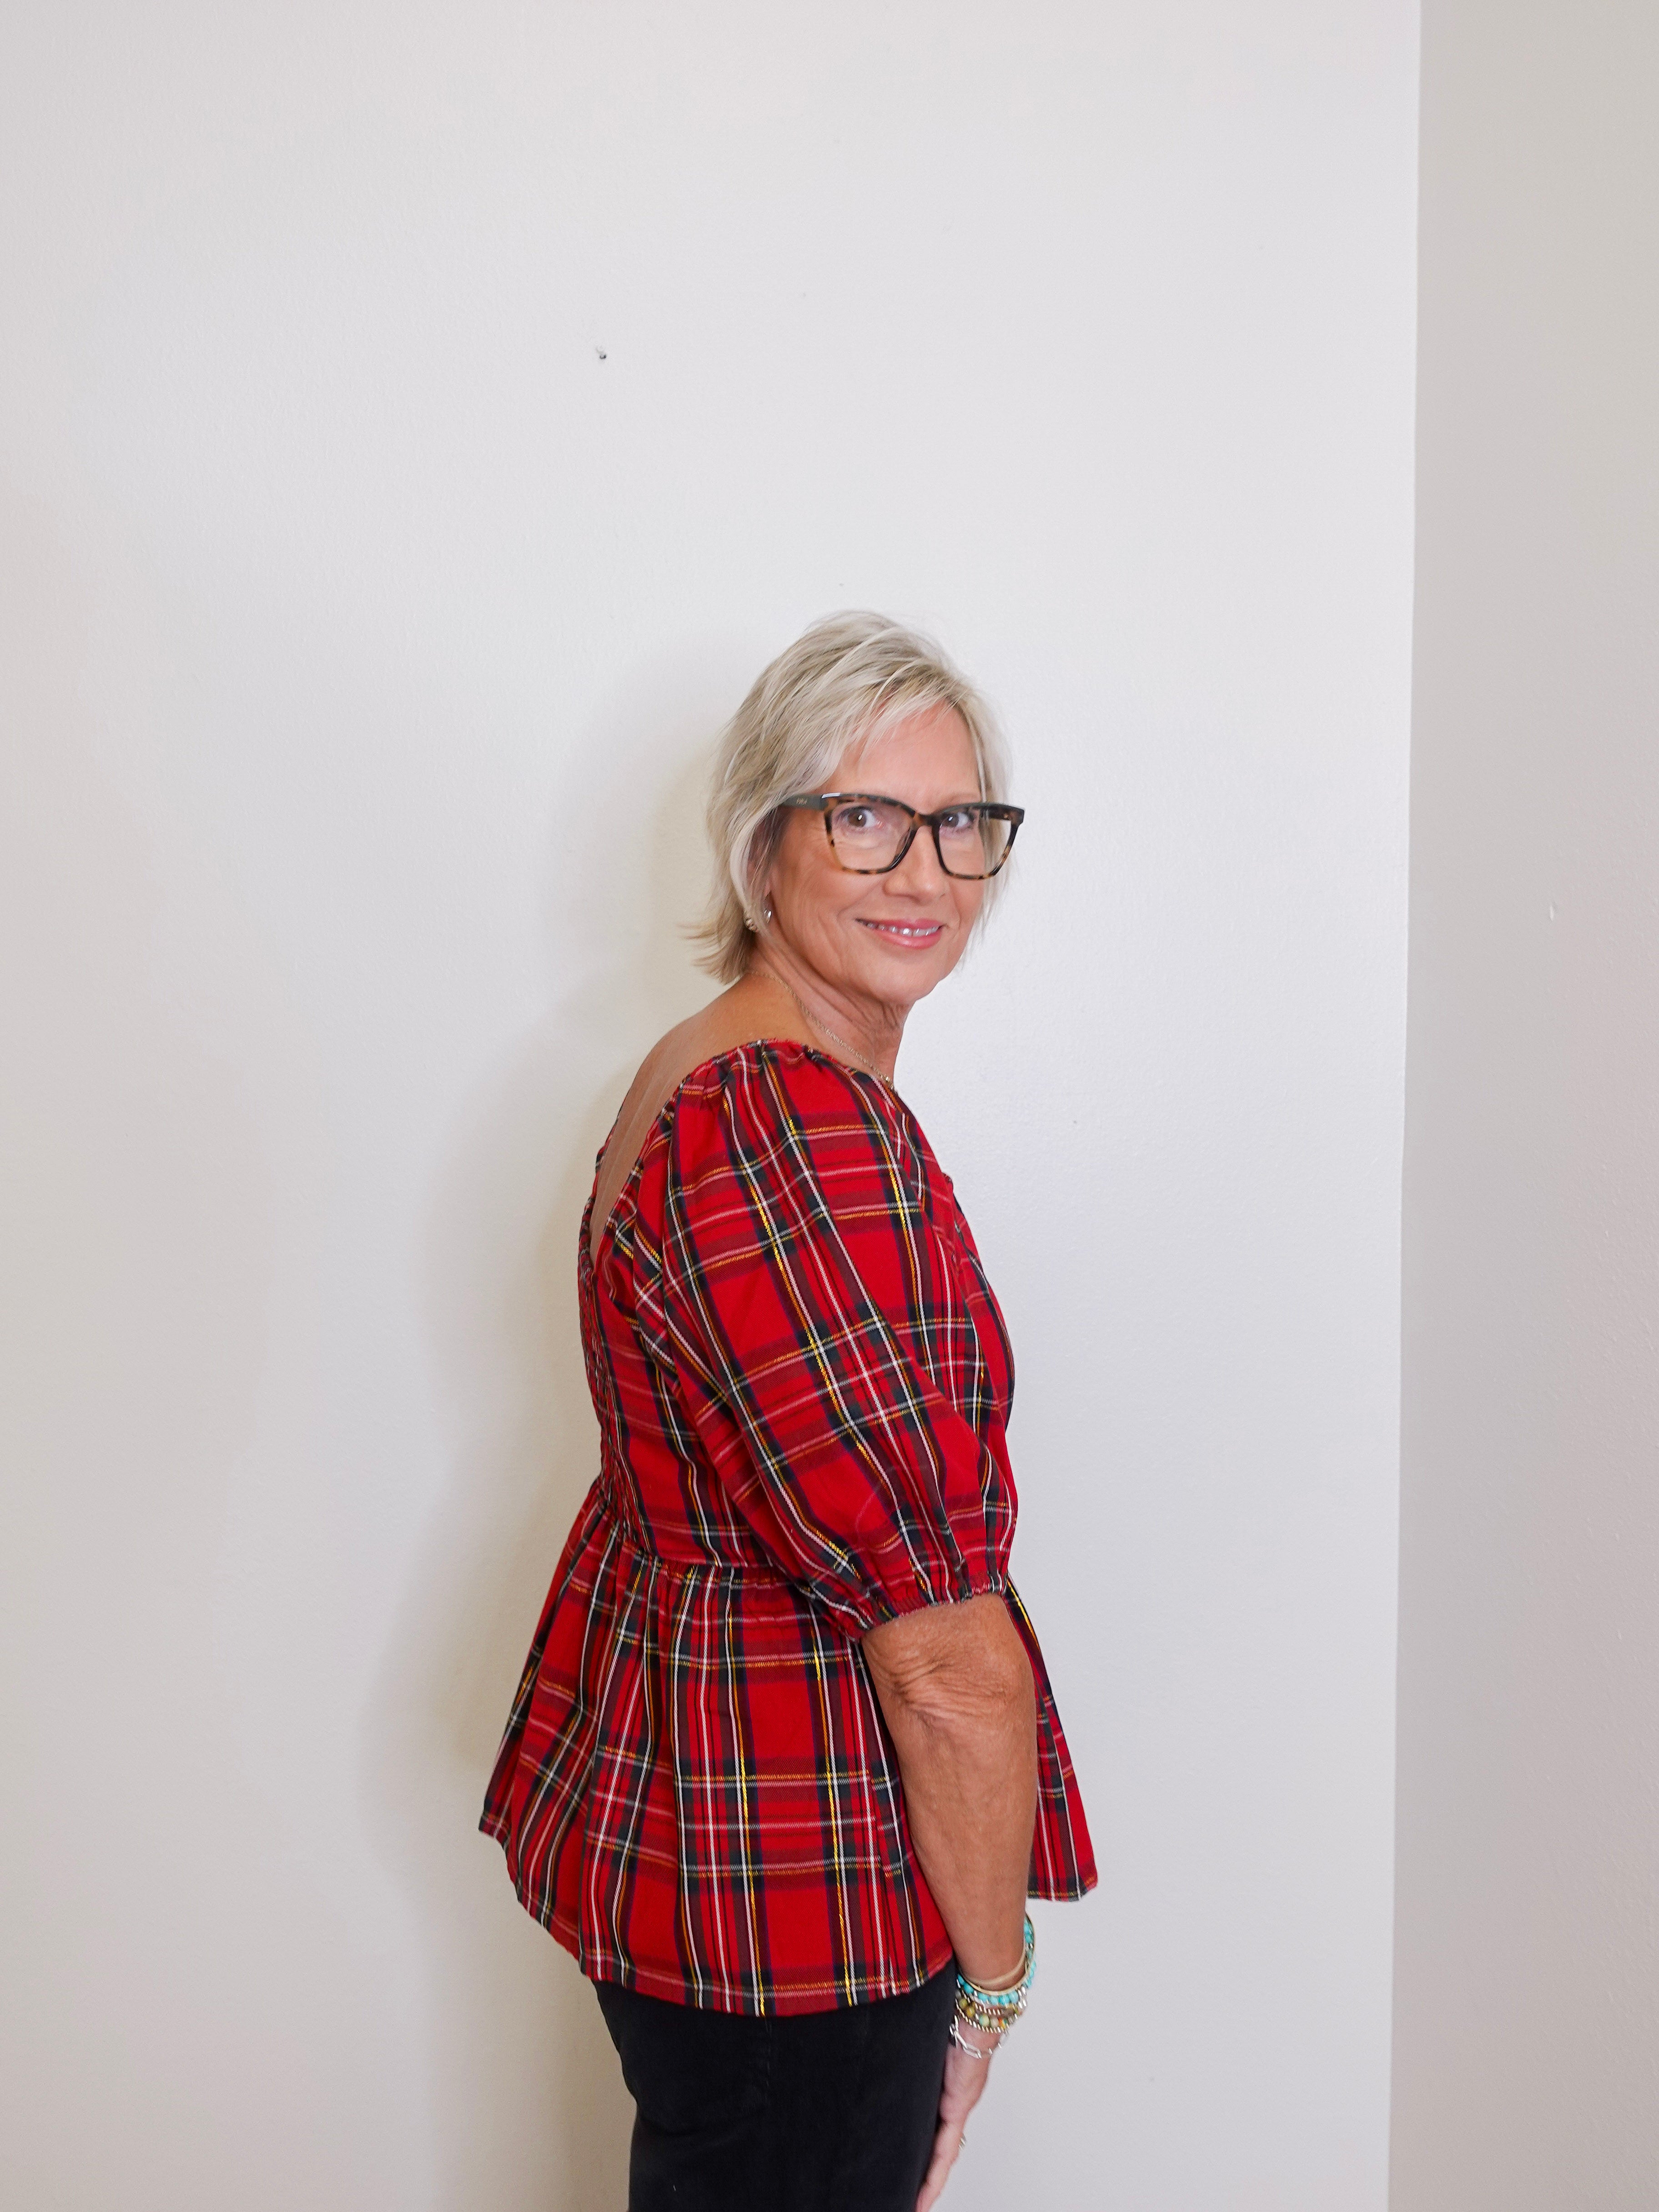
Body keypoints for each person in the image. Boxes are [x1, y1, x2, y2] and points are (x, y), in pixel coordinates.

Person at [482, 612, 1096, 2210]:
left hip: (705, 1845)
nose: (925, 872)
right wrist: (993, 1988)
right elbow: (943, 1661)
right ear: (763, 852)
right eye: (865, 817)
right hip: (795, 1892)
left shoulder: (706, 1070)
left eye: (960, 823)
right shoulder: (783, 1127)